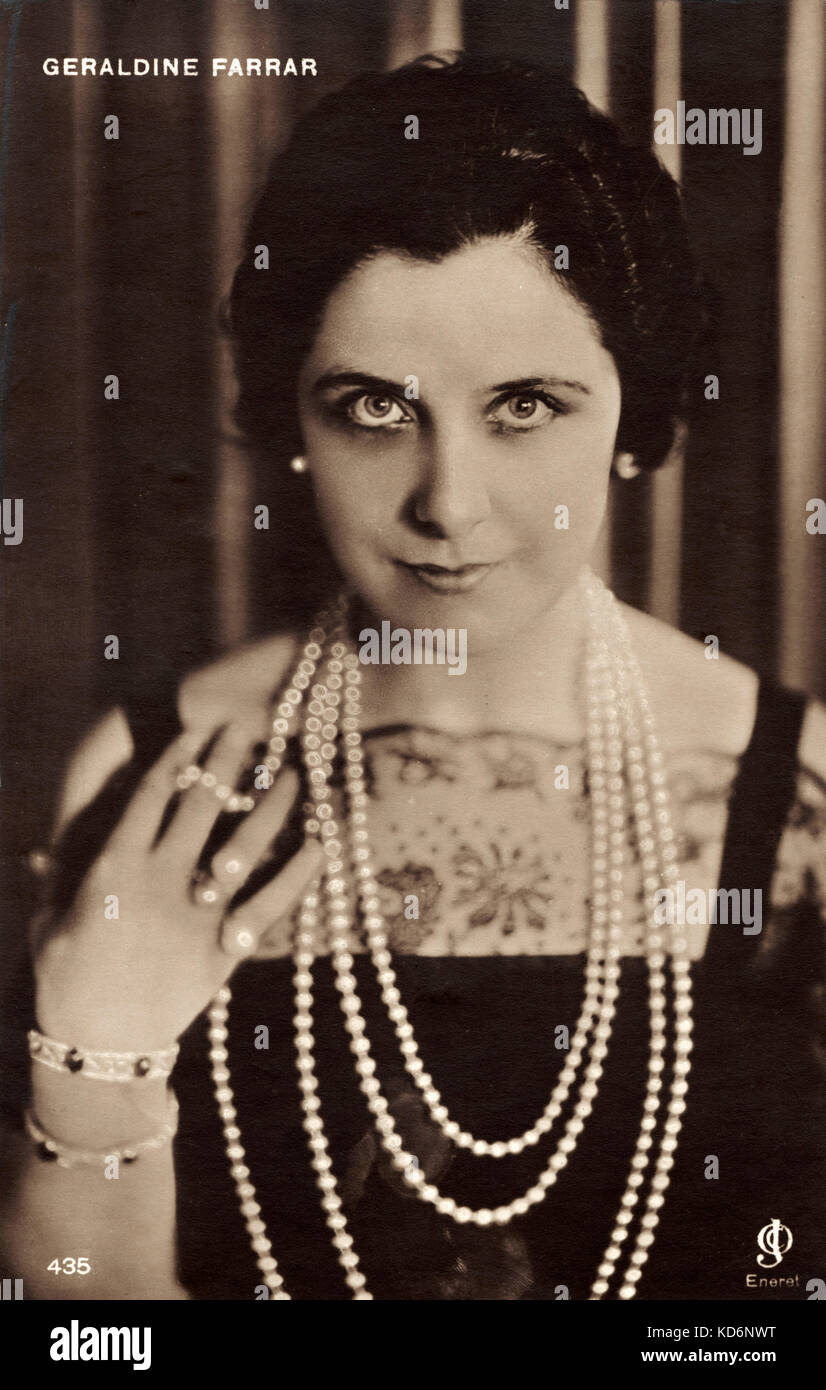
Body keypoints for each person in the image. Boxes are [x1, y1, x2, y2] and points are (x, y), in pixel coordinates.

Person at [2, 53, 825, 1302]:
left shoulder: (794, 793)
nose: (449, 503)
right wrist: (95, 1057)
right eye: (374, 409)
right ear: (292, 420)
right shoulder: (149, 775)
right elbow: (85, 1328)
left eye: (526, 405)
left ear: (632, 414)